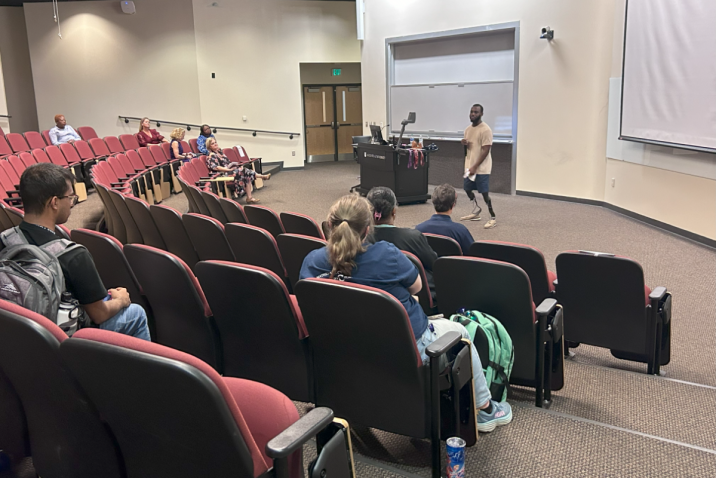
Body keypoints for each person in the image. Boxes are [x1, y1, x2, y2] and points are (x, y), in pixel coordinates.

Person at [300, 194, 512, 433]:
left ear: (329, 225)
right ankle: (485, 409)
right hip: (403, 349)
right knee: (461, 332)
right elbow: (417, 287)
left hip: (345, 347)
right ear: (368, 229)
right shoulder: (386, 254)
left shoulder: (313, 261)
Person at [0, 163, 150, 340]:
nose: (72, 203)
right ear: (54, 202)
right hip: (65, 340)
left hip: (25, 333)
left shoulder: (5, 239)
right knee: (136, 313)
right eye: (70, 197)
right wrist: (121, 300)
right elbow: (99, 314)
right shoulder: (72, 255)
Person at [366, 186, 437, 299]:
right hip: (417, 298)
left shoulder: (359, 240)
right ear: (394, 212)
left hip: (373, 297)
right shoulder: (414, 237)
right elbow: (435, 265)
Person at [461, 104, 496, 229]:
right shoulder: (468, 129)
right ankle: (476, 211)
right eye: (471, 111)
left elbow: (485, 150)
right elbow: (468, 151)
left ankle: (492, 217)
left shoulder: (485, 130)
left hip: (481, 167)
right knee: (467, 188)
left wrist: (475, 166)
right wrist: (464, 144)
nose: (472, 114)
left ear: (481, 114)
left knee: (484, 193)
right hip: (469, 166)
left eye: (475, 112)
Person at [205, 137, 270, 204]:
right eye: (212, 143)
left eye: (215, 142)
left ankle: (249, 197)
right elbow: (216, 167)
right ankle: (262, 177)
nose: (215, 144)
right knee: (244, 171)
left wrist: (232, 165)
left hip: (230, 170)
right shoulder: (211, 155)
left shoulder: (220, 152)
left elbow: (227, 162)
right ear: (209, 146)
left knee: (245, 172)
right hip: (223, 174)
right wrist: (228, 169)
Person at [416, 184, 475, 255]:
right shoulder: (461, 231)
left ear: (433, 202)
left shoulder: (418, 230)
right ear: (453, 205)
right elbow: (473, 254)